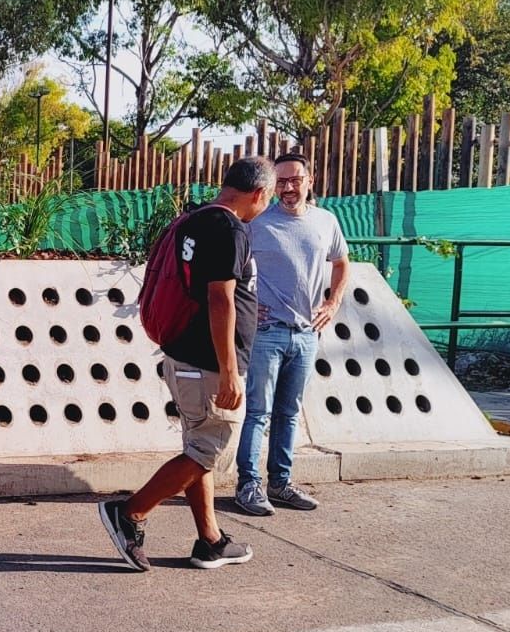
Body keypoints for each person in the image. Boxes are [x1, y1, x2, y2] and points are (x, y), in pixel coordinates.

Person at [99, 155, 274, 571]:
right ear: (260, 193)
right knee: (207, 450)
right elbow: (219, 298)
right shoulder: (230, 228)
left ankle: (209, 540)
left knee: (199, 448)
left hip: (183, 356)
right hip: (208, 365)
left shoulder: (194, 219)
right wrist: (230, 370)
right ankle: (129, 514)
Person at [233, 152, 350, 516]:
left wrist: (332, 303)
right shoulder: (257, 221)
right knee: (258, 412)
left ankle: (280, 483)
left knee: (289, 412)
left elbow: (342, 262)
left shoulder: (325, 222)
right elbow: (231, 265)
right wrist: (248, 305)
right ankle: (248, 485)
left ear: (309, 181)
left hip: (305, 334)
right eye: (280, 181)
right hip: (265, 332)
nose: (287, 188)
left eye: (294, 180)